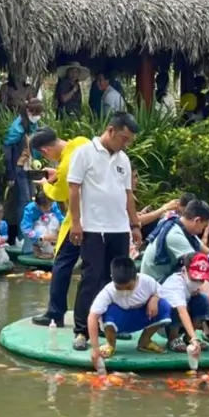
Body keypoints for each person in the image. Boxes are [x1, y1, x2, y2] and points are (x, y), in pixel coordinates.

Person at [68, 112, 142, 351]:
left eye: (129, 140)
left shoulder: (123, 159)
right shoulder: (84, 152)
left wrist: (135, 225)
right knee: (91, 277)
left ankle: (110, 325)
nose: (125, 144)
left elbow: (128, 195)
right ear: (110, 130)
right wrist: (76, 223)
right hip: (93, 227)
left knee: (117, 280)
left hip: (119, 228)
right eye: (123, 138)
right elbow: (73, 189)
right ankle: (81, 331)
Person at [27, 127, 88, 328]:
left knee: (61, 265)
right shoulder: (81, 142)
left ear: (45, 150)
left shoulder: (66, 165)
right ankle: (95, 317)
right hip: (100, 219)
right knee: (95, 269)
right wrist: (59, 175)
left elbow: (60, 194)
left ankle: (55, 314)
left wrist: (45, 184)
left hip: (78, 220)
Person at [87, 256, 172, 368]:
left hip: (143, 317)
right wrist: (95, 348)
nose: (124, 290)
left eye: (129, 287)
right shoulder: (108, 291)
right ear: (112, 278)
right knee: (106, 311)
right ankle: (111, 344)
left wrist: (155, 298)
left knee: (164, 306)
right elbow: (92, 317)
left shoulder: (146, 281)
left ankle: (145, 341)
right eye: (119, 288)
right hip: (120, 321)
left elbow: (162, 290)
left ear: (136, 276)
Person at [141, 199, 209, 282]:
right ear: (197, 220)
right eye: (204, 227)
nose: (201, 231)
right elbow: (197, 263)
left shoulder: (182, 227)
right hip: (156, 281)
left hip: (166, 275)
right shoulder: (175, 234)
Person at [4, 97, 45, 236]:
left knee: (31, 197)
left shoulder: (33, 124)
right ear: (28, 111)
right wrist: (10, 172)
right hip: (19, 167)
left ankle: (28, 232)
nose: (38, 116)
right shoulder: (17, 127)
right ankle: (22, 235)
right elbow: (8, 148)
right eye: (36, 113)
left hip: (30, 166)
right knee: (24, 200)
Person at [160, 251, 209, 353]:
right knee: (174, 307)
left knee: (203, 299)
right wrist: (195, 338)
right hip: (164, 322)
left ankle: (188, 337)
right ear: (184, 270)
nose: (198, 282)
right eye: (195, 278)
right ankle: (173, 338)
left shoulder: (193, 285)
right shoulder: (175, 284)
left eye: (201, 279)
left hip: (183, 319)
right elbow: (182, 311)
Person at [19, 190, 65, 256]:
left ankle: (51, 248)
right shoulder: (30, 209)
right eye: (45, 207)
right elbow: (26, 230)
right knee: (41, 229)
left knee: (55, 220)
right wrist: (43, 237)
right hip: (36, 234)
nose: (48, 209)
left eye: (50, 205)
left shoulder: (53, 205)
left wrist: (61, 229)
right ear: (37, 204)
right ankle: (36, 247)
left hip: (49, 232)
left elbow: (61, 219)